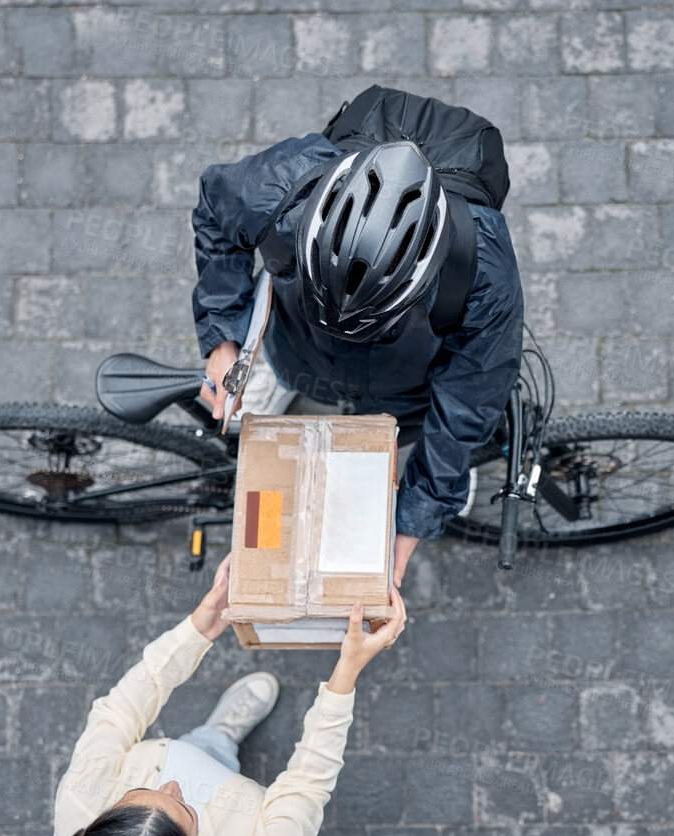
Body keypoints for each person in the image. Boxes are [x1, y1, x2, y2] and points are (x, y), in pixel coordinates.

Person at [191, 86, 523, 600]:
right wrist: (224, 336)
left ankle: (425, 471)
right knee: (280, 377)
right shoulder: (278, 185)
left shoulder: (482, 269)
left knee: (436, 445)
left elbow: (470, 398)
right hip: (292, 347)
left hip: (404, 384)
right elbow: (215, 212)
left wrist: (418, 513)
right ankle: (278, 379)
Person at [53, 554, 406, 836]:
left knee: (202, 748)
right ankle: (216, 742)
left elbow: (117, 713)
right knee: (203, 758)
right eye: (185, 810)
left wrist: (195, 632)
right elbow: (306, 785)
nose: (172, 784)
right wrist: (347, 672)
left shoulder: (78, 800)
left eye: (140, 790)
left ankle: (216, 738)